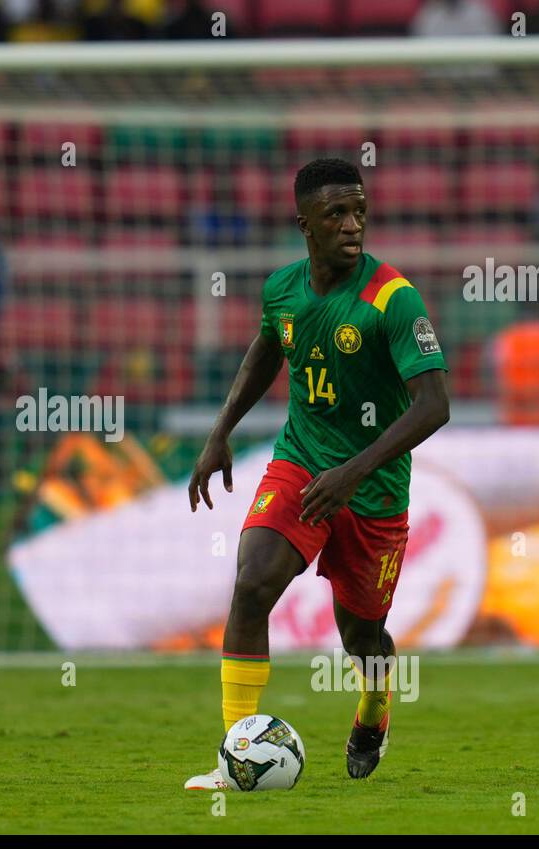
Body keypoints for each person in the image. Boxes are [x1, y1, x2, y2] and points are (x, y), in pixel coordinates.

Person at [185, 158, 451, 787]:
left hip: (373, 492)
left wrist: (354, 473)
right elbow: (266, 350)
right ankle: (234, 757)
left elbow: (435, 404)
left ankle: (376, 708)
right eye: (336, 214)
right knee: (251, 585)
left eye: (359, 211)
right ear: (304, 222)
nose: (352, 225)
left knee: (362, 634)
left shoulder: (392, 298)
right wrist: (219, 431)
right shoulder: (282, 289)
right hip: (300, 464)